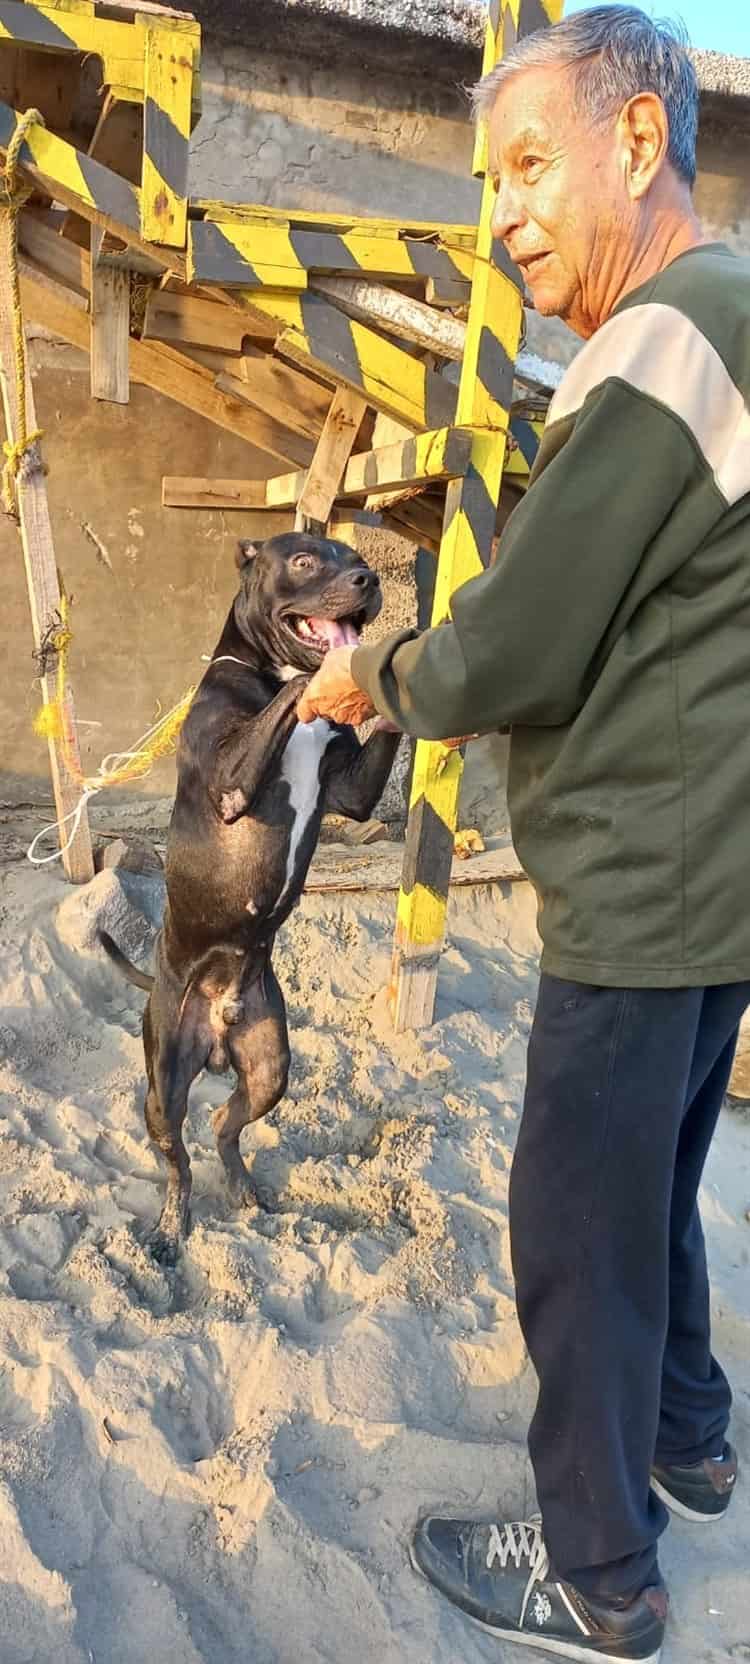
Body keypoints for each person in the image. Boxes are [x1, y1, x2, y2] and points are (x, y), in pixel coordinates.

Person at [297, 6, 748, 1660]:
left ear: (637, 143)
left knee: (571, 1226)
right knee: (659, 1184)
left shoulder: (657, 343)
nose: (502, 213)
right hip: (721, 883)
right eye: (492, 179)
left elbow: (526, 636)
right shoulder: (743, 311)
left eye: (529, 165)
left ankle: (600, 1575)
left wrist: (381, 680)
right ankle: (688, 1442)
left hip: (642, 887)